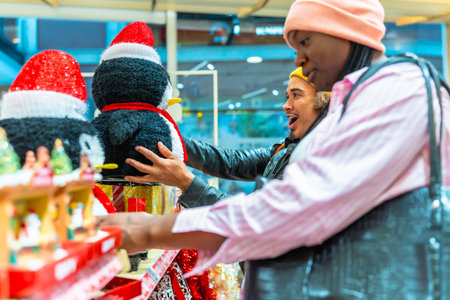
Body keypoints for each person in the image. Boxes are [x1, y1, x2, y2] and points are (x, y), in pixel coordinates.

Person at [98, 0, 450, 298]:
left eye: (306, 41)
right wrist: (170, 138)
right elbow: (234, 162)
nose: (299, 59)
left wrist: (148, 229)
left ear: (348, 32)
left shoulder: (400, 92)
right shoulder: (324, 124)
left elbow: (293, 209)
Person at [125, 67, 330, 209]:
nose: (286, 105)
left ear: (324, 101)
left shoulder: (319, 163)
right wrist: (170, 136)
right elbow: (232, 162)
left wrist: (186, 181)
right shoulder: (287, 150)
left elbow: (253, 217)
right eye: (287, 96)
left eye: (296, 95)